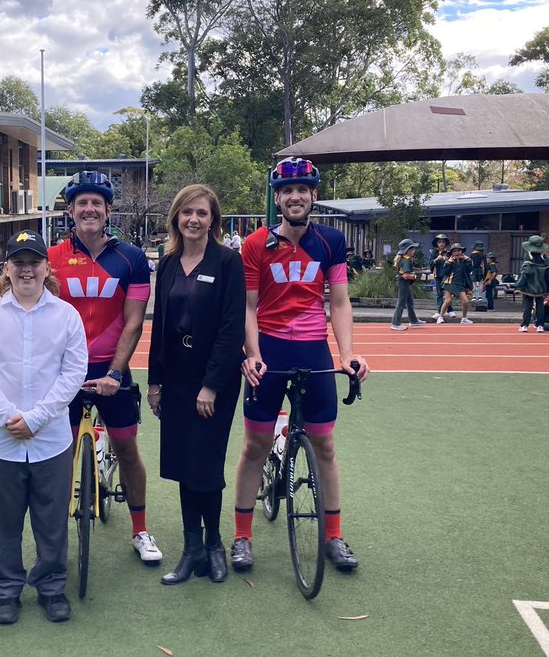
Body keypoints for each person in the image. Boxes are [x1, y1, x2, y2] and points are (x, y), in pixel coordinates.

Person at [233, 157, 370, 574]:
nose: (295, 196)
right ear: (278, 198)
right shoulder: (256, 244)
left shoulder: (330, 241)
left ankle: (333, 536)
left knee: (325, 446)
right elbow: (248, 307)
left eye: (303, 190)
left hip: (313, 350)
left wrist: (347, 354)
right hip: (269, 351)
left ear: (313, 195)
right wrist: (252, 354)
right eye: (287, 191)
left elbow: (340, 301)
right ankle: (242, 536)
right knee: (255, 445)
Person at [0, 230, 87, 625]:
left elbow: (73, 373)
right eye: (19, 262)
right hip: (2, 441)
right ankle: (6, 591)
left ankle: (51, 588)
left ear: (47, 267)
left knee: (51, 522)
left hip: (50, 440)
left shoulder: (67, 316)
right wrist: (7, 417)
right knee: (4, 521)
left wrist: (36, 418)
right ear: (7, 268)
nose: (27, 270)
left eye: (34, 262)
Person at [47, 171, 162, 564]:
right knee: (59, 456)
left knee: (127, 451)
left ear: (108, 210)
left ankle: (140, 529)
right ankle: (55, 533)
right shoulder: (51, 259)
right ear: (71, 211)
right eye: (82, 203)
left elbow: (133, 321)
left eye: (97, 202)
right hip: (63, 375)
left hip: (113, 372)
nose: (90, 209)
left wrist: (116, 373)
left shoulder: (130, 258)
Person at [146, 185, 245, 585]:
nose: (193, 220)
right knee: (184, 466)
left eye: (202, 213)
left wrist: (212, 385)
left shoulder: (227, 262)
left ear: (213, 220)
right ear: (176, 218)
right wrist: (155, 382)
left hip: (213, 380)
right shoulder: (168, 264)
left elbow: (230, 328)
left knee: (205, 465)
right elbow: (159, 329)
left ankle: (215, 545)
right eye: (187, 212)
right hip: (176, 378)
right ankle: (192, 550)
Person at [514, 235, 549, 333]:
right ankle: (540, 326)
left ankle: (525, 325)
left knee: (528, 306)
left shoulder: (527, 256)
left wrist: (517, 285)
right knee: (540, 306)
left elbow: (525, 274)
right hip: (541, 286)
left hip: (529, 287)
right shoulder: (544, 258)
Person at [390, 239, 424, 331]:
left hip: (404, 283)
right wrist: (414, 276)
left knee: (410, 302)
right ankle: (395, 323)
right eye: (412, 249)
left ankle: (413, 320)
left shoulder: (405, 260)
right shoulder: (406, 261)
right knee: (401, 303)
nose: (414, 251)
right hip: (403, 282)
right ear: (407, 250)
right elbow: (406, 275)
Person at [436, 243, 474, 325]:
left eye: (459, 251)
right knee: (448, 300)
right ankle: (440, 317)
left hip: (460, 284)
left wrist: (468, 260)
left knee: (465, 301)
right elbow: (444, 272)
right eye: (455, 251)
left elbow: (469, 269)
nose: (457, 253)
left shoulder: (465, 261)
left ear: (461, 252)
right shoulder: (449, 262)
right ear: (452, 253)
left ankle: (464, 318)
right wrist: (449, 262)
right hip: (449, 283)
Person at [430, 234, 456, 320]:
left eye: (443, 242)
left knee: (447, 294)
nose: (441, 244)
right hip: (437, 275)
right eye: (439, 242)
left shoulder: (449, 253)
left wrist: (447, 260)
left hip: (446, 276)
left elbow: (453, 264)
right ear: (437, 243)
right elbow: (430, 263)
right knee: (439, 294)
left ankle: (450, 310)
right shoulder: (434, 253)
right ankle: (439, 311)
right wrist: (436, 260)